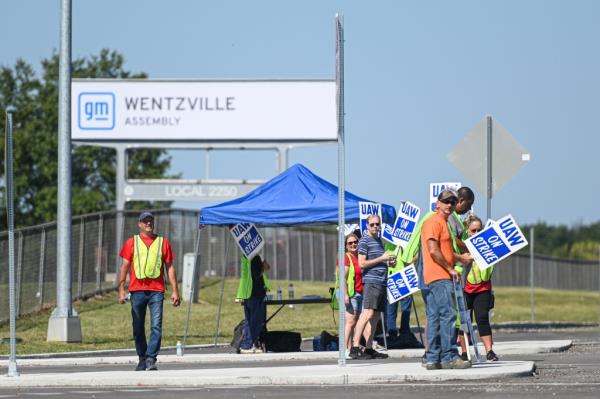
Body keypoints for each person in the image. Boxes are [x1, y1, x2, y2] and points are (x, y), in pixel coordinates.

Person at [118, 211, 181, 371]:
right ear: (139, 224)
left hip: (157, 291)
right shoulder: (131, 242)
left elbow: (170, 267)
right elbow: (124, 267)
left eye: (151, 221)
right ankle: (142, 358)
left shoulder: (163, 242)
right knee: (138, 326)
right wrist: (121, 290)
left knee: (156, 326)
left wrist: (175, 290)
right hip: (136, 291)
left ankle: (151, 358)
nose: (148, 224)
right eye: (145, 221)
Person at [421, 189, 472, 370]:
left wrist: (461, 259)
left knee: (435, 317)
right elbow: (434, 251)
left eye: (453, 201)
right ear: (438, 203)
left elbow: (446, 252)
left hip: (437, 275)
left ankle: (433, 358)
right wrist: (450, 269)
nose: (449, 205)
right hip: (440, 276)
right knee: (449, 315)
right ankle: (449, 356)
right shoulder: (433, 222)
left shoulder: (443, 223)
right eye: (446, 201)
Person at [349, 214, 396, 360]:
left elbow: (377, 261)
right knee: (367, 313)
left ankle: (369, 348)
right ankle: (355, 347)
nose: (375, 227)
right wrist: (382, 258)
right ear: (367, 226)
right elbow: (362, 263)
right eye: (372, 224)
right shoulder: (364, 240)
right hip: (371, 282)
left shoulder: (379, 241)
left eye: (377, 224)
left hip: (381, 281)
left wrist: (388, 263)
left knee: (375, 317)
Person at [459, 214, 499, 361]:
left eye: (479, 230)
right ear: (467, 231)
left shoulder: (486, 244)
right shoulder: (462, 246)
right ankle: (465, 352)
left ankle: (490, 351)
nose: (476, 233)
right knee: (464, 321)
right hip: (464, 288)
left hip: (483, 287)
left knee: (482, 318)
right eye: (473, 231)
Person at [236, 254, 270, 354]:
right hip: (255, 293)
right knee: (255, 321)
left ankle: (248, 344)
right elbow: (256, 274)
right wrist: (263, 268)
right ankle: (247, 345)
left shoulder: (245, 257)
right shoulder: (255, 257)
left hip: (247, 293)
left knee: (249, 320)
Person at [337, 233, 363, 357]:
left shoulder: (359, 256)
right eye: (350, 243)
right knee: (350, 322)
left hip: (358, 292)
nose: (353, 245)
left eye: (355, 242)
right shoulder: (346, 258)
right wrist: (346, 294)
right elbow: (343, 277)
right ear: (346, 246)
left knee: (353, 322)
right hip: (351, 293)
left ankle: (350, 348)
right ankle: (343, 350)